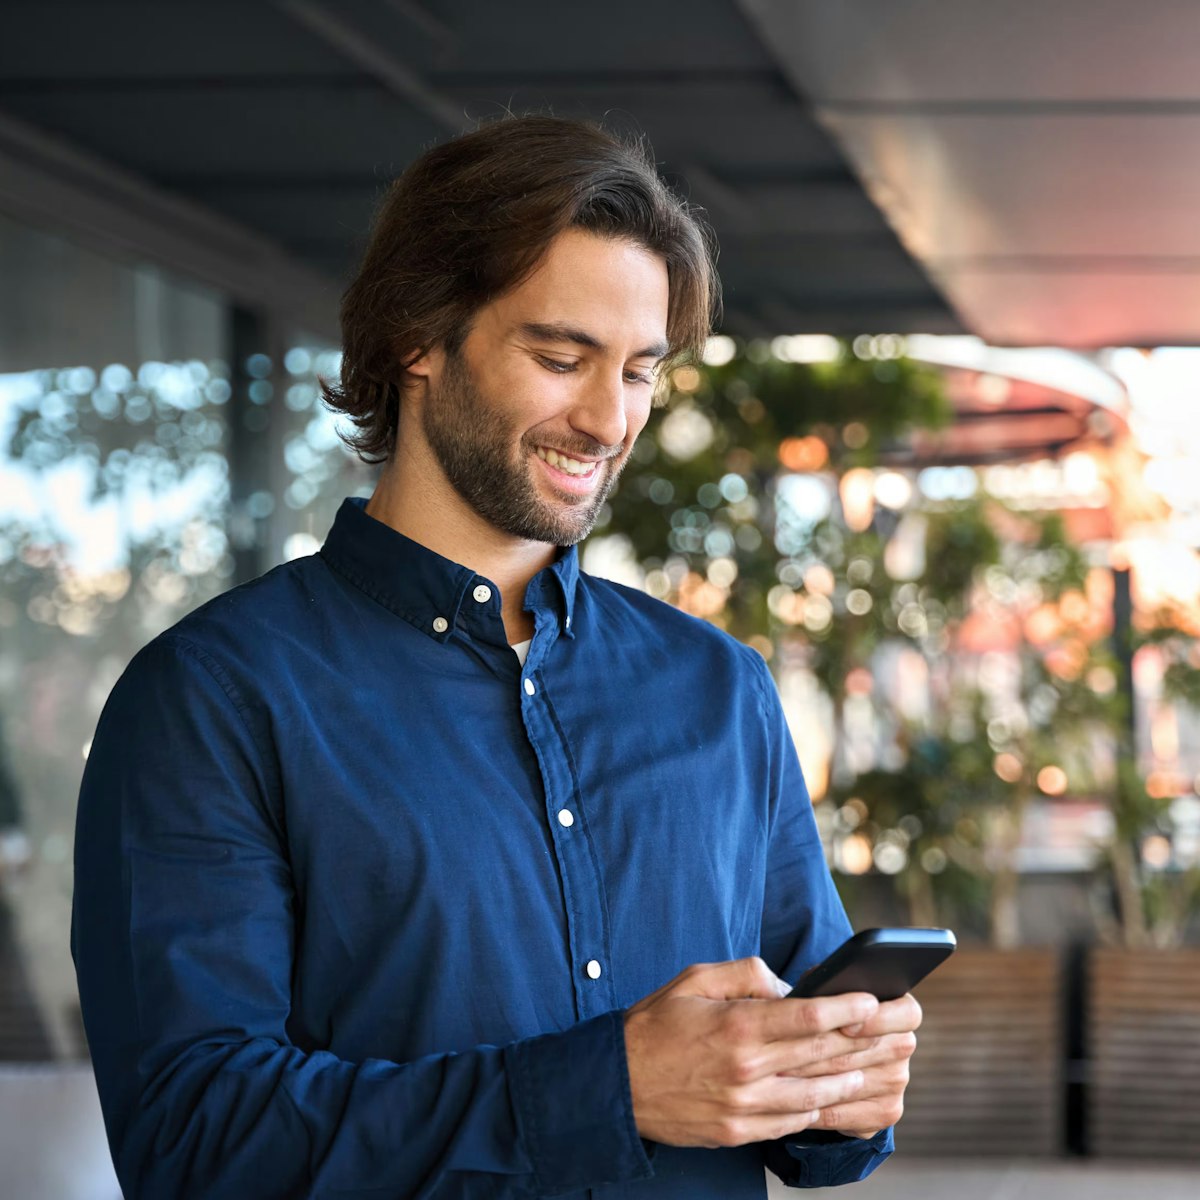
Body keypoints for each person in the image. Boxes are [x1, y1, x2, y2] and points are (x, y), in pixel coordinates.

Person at [72, 114, 920, 1198]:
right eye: (561, 357)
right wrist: (604, 1092)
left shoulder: (720, 691)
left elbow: (808, 1089)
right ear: (418, 337)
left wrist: (844, 1088)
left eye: (640, 372)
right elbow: (194, 1143)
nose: (608, 420)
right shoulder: (211, 700)